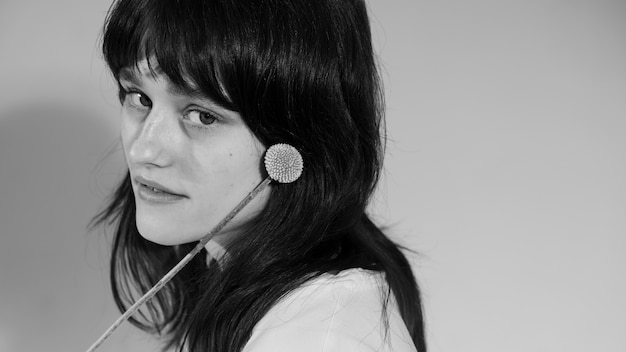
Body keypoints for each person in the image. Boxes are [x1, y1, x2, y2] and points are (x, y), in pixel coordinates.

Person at [93, 0, 427, 351]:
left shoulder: (319, 338)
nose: (143, 151)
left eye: (203, 116)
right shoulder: (238, 282)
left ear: (295, 146)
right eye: (139, 97)